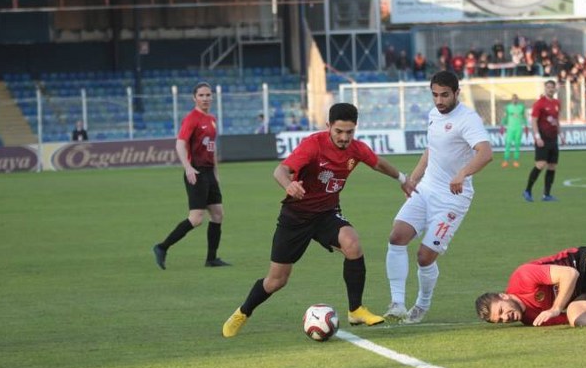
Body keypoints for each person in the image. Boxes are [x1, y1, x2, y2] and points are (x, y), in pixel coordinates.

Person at [222, 103, 417, 337]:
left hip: (326, 214)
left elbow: (378, 163)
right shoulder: (313, 145)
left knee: (352, 242)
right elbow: (280, 171)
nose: (344, 137)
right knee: (276, 280)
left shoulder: (356, 149)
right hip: (296, 217)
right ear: (328, 127)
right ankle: (242, 312)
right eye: (339, 132)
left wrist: (402, 178)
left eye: (349, 132)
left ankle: (356, 309)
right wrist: (289, 184)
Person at [384, 71, 493, 324]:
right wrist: (414, 177)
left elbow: (485, 153)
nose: (439, 100)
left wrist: (462, 173)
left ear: (457, 93)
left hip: (453, 199)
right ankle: (398, 304)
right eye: (435, 95)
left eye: (445, 95)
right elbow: (432, 149)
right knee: (397, 236)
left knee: (424, 257)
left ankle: (422, 304)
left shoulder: (468, 119)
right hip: (427, 190)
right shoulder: (434, 114)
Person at [152, 82, 230, 269]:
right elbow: (180, 144)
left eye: (208, 95)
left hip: (209, 173)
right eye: (201, 95)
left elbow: (211, 149)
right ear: (194, 98)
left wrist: (216, 174)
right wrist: (187, 167)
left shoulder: (211, 119)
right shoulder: (191, 119)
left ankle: (211, 259)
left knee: (218, 214)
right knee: (196, 219)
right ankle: (162, 247)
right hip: (196, 172)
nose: (205, 98)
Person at [523, 80, 564, 202]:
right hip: (543, 138)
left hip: (553, 138)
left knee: (552, 166)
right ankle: (527, 190)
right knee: (540, 165)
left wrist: (561, 135)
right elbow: (534, 121)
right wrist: (537, 136)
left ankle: (546, 194)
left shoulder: (557, 103)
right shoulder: (539, 103)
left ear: (555, 89)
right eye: (548, 87)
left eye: (552, 87)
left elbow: (557, 120)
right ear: (545, 89)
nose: (550, 89)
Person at [500, 94, 527, 168]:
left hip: (518, 128)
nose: (515, 100)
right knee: (508, 144)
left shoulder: (521, 107)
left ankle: (516, 161)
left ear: (517, 99)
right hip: (510, 128)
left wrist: (526, 125)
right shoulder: (508, 107)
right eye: (513, 98)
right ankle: (506, 161)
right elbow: (505, 117)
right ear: (511, 99)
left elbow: (524, 117)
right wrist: (502, 125)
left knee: (517, 145)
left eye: (516, 98)